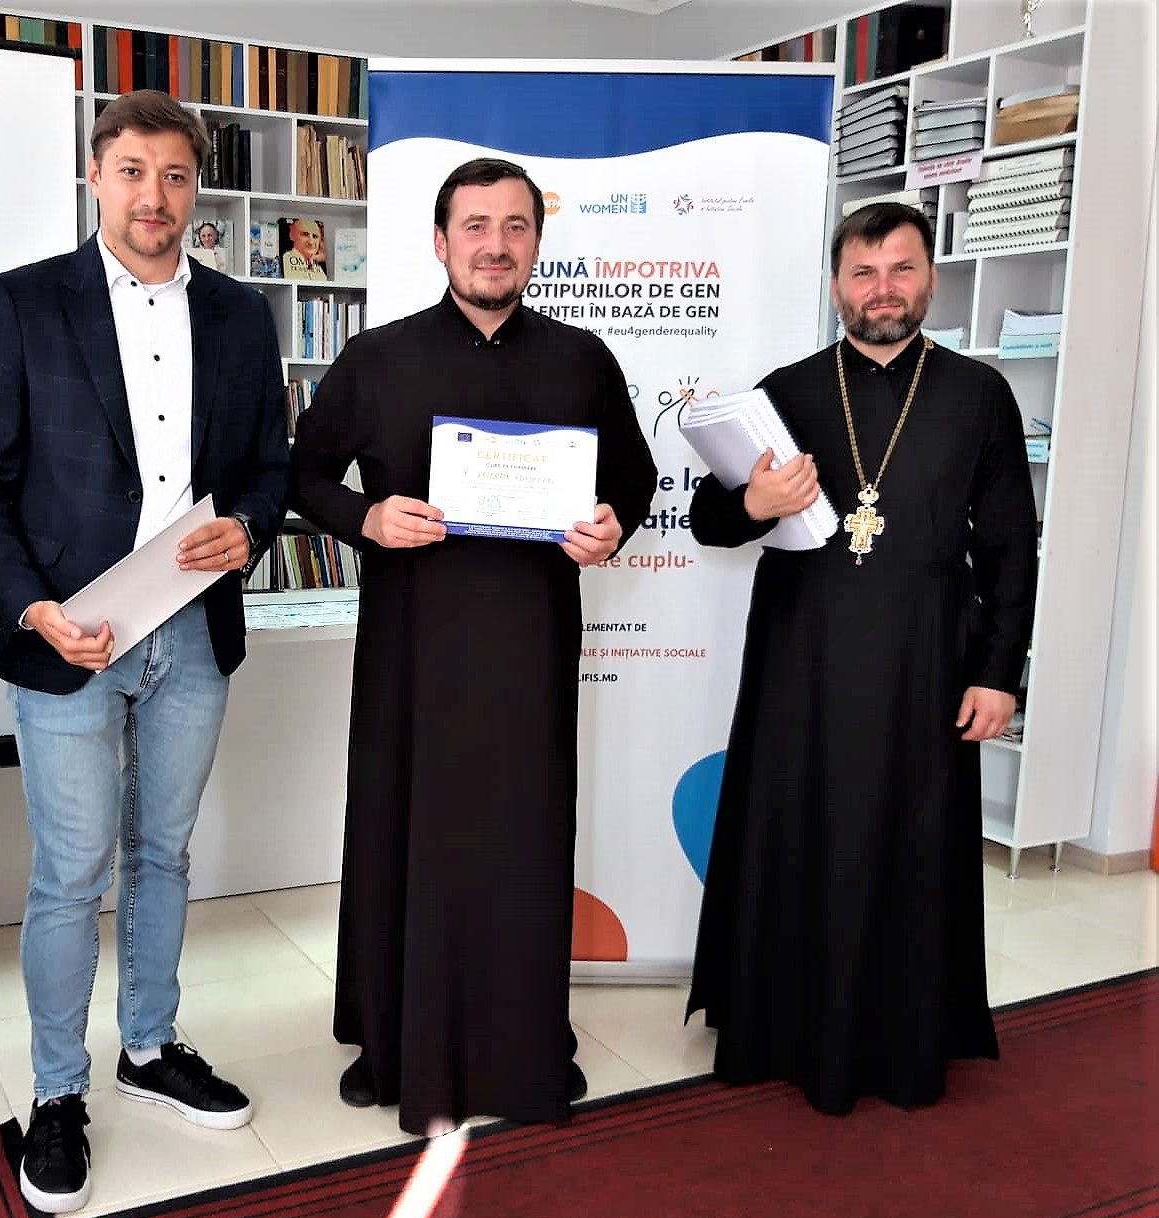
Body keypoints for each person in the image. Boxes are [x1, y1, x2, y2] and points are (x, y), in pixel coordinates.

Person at [0, 89, 289, 1213]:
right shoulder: (22, 302)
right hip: (71, 632)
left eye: (176, 175)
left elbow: (269, 467)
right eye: (133, 171)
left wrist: (253, 527)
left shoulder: (241, 315)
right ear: (96, 177)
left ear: (198, 189)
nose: (155, 196)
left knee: (165, 853)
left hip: (191, 623)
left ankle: (149, 1045)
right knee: (71, 869)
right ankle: (57, 1091)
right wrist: (33, 607)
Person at [289, 157, 658, 1135]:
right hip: (412, 653)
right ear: (441, 241)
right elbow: (301, 474)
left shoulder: (582, 359)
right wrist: (366, 518)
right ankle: (395, 1042)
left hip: (532, 649)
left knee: (521, 841)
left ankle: (522, 1043)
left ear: (536, 241)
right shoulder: (377, 357)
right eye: (476, 226)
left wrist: (612, 524)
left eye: (515, 226)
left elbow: (635, 477)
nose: (496, 245)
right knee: (406, 830)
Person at [685, 202, 1037, 1115]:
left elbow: (1010, 545)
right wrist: (754, 502)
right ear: (837, 286)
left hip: (927, 655)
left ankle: (901, 1034)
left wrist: (999, 671)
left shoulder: (978, 394)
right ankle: (781, 1024)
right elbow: (708, 521)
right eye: (863, 273)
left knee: (910, 839)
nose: (883, 290)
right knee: (795, 828)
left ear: (930, 279)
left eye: (901, 269)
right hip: (801, 656)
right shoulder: (786, 392)